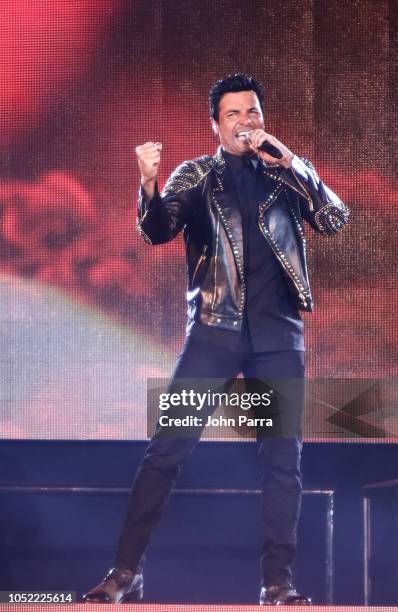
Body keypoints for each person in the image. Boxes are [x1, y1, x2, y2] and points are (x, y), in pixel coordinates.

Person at [83, 73, 349, 605]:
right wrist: (150, 185)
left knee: (282, 461)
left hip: (277, 336)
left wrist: (293, 165)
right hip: (213, 332)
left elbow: (334, 219)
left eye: (253, 113)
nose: (246, 123)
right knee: (165, 453)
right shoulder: (198, 175)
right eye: (234, 115)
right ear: (215, 125)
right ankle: (125, 571)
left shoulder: (290, 174)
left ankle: (278, 582)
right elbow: (158, 230)